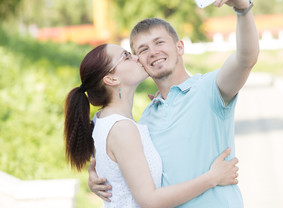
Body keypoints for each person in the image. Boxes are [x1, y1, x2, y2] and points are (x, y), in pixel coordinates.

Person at [89, 0, 259, 207]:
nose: (153, 52)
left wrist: (243, 9)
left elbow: (245, 58)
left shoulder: (211, 89)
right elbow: (133, 166)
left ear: (179, 47)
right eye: (143, 49)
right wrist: (99, 176)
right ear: (139, 60)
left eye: (159, 42)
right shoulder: (147, 117)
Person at [64, 43, 239, 208]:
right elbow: (149, 200)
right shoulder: (122, 128)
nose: (137, 58)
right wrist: (213, 178)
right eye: (126, 56)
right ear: (111, 78)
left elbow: (114, 173)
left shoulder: (101, 120)